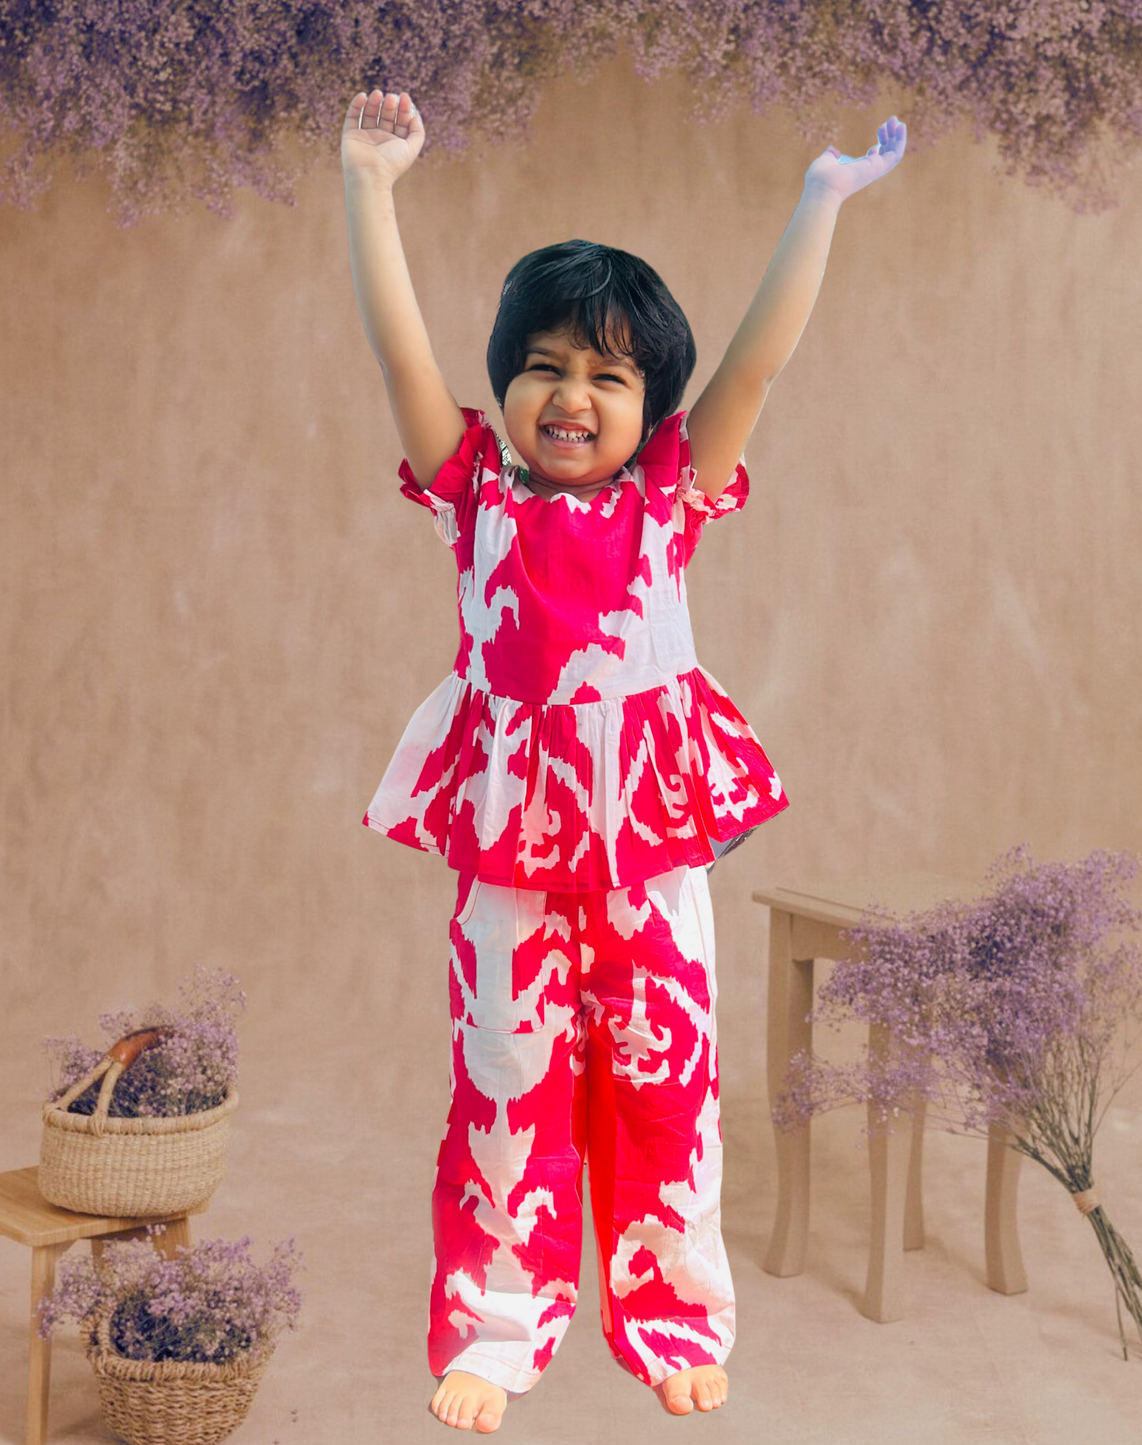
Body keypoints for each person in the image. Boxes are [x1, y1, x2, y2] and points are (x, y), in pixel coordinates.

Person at [342, 86, 905, 1433]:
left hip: (647, 844)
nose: (572, 396)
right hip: (510, 848)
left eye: (609, 374)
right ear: (504, 381)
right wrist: (371, 184)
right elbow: (399, 359)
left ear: (649, 405)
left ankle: (670, 1314)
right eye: (545, 365)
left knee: (665, 1082)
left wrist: (818, 201)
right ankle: (498, 1323)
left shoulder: (668, 492)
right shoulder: (471, 485)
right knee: (504, 1078)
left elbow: (756, 369)